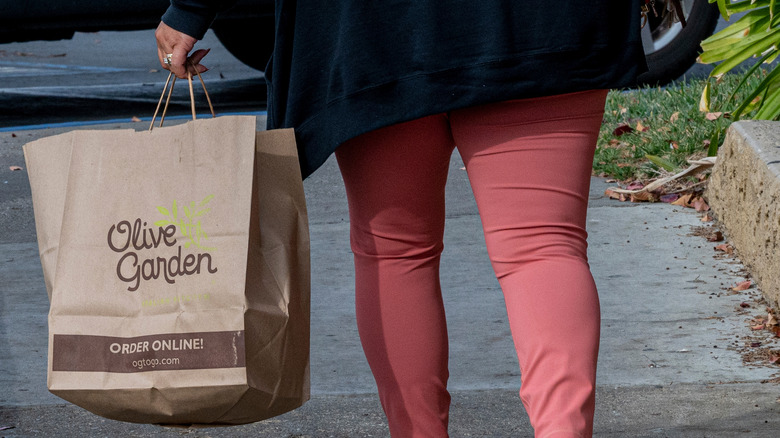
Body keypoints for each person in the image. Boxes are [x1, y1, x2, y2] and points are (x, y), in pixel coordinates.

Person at [156, 2, 646, 436]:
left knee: (394, 252)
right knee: (543, 246)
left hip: (376, 27)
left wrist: (191, 10)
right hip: (539, 20)